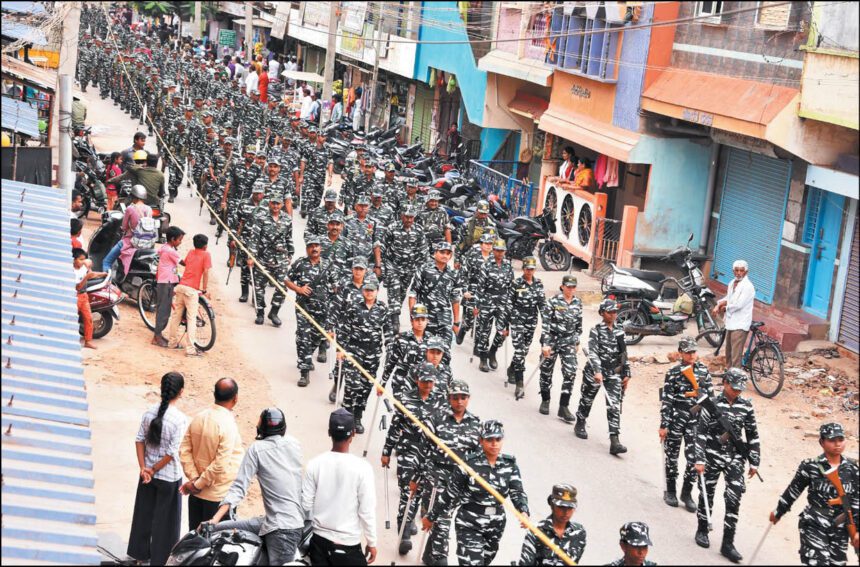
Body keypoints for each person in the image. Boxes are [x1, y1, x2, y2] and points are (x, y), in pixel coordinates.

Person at [205, 408, 305, 565]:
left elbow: (239, 488)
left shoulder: (257, 449)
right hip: (273, 521)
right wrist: (216, 523)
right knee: (220, 528)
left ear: (261, 428)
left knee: (216, 526)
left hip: (282, 530)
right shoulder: (294, 444)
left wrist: (214, 519)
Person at [423, 420, 529, 566]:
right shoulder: (468, 464)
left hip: (495, 523)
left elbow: (517, 491)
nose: (494, 443)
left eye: (498, 439)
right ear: (481, 441)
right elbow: (450, 493)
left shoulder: (509, 465)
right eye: (489, 439)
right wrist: (432, 516)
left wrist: (523, 511)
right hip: (469, 522)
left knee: (484, 562)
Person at [693, 368, 760, 563]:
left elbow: (753, 435)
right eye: (733, 387)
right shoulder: (711, 404)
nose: (737, 391)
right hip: (711, 456)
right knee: (707, 493)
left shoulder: (746, 406)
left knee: (734, 497)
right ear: (724, 383)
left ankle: (728, 543)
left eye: (740, 389)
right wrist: (699, 459)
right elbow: (701, 433)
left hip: (735, 458)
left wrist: (754, 460)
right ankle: (702, 529)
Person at [769, 422, 860, 565]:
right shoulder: (810, 466)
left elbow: (856, 501)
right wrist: (779, 511)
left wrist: (857, 530)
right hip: (814, 523)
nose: (837, 444)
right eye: (832, 440)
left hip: (840, 529)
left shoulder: (852, 469)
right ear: (821, 442)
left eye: (841, 440)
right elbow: (793, 491)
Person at [382, 363, 447, 554]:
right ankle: (404, 533)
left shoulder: (440, 401)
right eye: (425, 381)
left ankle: (408, 520)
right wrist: (387, 451)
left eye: (431, 381)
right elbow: (395, 427)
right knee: (408, 491)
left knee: (424, 492)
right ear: (417, 380)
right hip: (408, 449)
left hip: (430, 455)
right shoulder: (406, 400)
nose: (428, 385)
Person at [127, 372, 188, 566]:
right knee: (167, 523)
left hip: (146, 477)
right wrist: (153, 470)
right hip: (168, 478)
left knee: (143, 515)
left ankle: (139, 555)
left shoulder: (148, 413)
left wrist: (144, 468)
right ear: (181, 392)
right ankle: (160, 559)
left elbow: (139, 440)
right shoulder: (179, 419)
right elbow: (172, 452)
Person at [303, 408, 377, 565]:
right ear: (353, 434)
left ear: (329, 432)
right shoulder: (363, 468)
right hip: (348, 546)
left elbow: (306, 505)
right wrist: (372, 542)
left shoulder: (315, 464)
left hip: (319, 544)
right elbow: (366, 511)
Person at [421, 380, 482, 565]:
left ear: (468, 399)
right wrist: (417, 478)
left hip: (460, 481)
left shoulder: (476, 424)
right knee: (443, 518)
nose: (459, 402)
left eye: (463, 397)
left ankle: (428, 554)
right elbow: (423, 451)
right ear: (449, 398)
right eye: (455, 398)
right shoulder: (436, 419)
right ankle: (440, 558)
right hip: (437, 478)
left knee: (442, 519)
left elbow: (478, 456)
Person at [179, 378, 244, 532]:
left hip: (197, 495)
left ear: (214, 394)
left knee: (196, 542)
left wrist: (194, 478)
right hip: (218, 498)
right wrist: (197, 484)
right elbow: (220, 464)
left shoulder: (199, 417)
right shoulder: (227, 424)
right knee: (218, 546)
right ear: (235, 399)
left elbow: (184, 449)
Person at [659, 337, 714, 511]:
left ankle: (686, 492)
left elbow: (711, 399)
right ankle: (671, 491)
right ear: (681, 353)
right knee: (672, 456)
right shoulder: (673, 373)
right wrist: (664, 425)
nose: (692, 355)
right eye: (688, 352)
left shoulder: (704, 372)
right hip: (676, 417)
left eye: (694, 351)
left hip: (695, 421)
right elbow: (667, 401)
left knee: (694, 458)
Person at [575, 299, 631, 455]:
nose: (613, 315)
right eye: (610, 312)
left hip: (613, 373)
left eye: (615, 312)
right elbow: (592, 352)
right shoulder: (596, 330)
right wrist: (597, 371)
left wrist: (626, 373)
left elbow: (624, 353)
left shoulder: (620, 330)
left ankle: (615, 440)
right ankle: (580, 421)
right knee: (587, 399)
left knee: (613, 405)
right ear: (602, 313)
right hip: (595, 372)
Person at [539, 275, 583, 421]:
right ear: (562, 286)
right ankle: (545, 400)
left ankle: (563, 406)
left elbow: (578, 326)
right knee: (546, 370)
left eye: (573, 287)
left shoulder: (578, 303)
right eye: (568, 286)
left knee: (570, 372)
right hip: (552, 339)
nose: (571, 289)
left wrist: (576, 341)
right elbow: (545, 324)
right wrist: (545, 344)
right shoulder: (553, 301)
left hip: (568, 341)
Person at [408, 242, 462, 347]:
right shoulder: (424, 270)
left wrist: (456, 322)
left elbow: (455, 299)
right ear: (435, 253)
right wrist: (413, 316)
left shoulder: (454, 274)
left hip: (444, 318)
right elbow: (413, 294)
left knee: (444, 350)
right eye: (442, 252)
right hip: (424, 316)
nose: (445, 255)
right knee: (423, 349)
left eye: (448, 253)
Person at [166, 234, 212, 356]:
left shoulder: (191, 252)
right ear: (205, 245)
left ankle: (172, 343)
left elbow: (186, 264)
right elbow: (206, 272)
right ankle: (191, 349)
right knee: (191, 319)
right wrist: (205, 289)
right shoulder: (206, 254)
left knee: (176, 315)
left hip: (181, 287)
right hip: (191, 290)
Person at [518, 484, 586, 565]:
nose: (566, 512)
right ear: (552, 505)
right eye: (561, 507)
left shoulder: (579, 532)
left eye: (570, 508)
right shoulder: (536, 531)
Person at [507, 256, 545, 399]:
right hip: (517, 319)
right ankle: (519, 384)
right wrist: (505, 324)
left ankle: (512, 368)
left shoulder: (538, 284)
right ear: (523, 269)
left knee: (524, 351)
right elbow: (509, 304)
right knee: (520, 350)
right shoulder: (516, 283)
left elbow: (542, 303)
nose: (530, 271)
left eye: (532, 269)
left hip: (531, 321)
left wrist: (546, 320)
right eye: (527, 269)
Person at [473, 239, 513, 373]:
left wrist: (510, 304)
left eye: (502, 251)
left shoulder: (508, 265)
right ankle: (483, 358)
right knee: (484, 331)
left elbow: (510, 286)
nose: (500, 253)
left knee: (502, 332)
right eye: (497, 250)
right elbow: (480, 287)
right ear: (493, 250)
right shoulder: (486, 265)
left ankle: (493, 351)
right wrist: (477, 305)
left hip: (503, 301)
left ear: (505, 251)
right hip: (487, 301)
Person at [101, 184, 153, 276]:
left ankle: (106, 285)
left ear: (133, 196)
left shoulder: (130, 208)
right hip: (146, 243)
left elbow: (124, 227)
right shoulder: (149, 209)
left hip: (130, 242)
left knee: (106, 262)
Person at [714, 260, 755, 369]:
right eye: (736, 270)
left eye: (741, 270)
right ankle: (728, 378)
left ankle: (736, 381)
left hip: (740, 324)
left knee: (736, 356)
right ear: (733, 271)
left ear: (746, 272)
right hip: (731, 322)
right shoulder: (732, 283)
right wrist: (718, 305)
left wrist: (724, 308)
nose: (738, 273)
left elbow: (739, 304)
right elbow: (729, 298)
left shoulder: (748, 286)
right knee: (729, 353)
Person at [152, 226, 185, 347]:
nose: (180, 242)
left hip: (166, 280)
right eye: (179, 239)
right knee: (164, 310)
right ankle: (156, 336)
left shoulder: (165, 247)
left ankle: (158, 334)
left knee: (164, 308)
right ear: (172, 239)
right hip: (166, 281)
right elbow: (183, 262)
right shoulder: (170, 251)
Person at [73, 248, 107, 349]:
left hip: (84, 296)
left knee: (88, 319)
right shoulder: (72, 271)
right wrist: (86, 277)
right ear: (74, 260)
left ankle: (88, 341)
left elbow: (92, 275)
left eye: (84, 259)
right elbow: (78, 287)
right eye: (80, 259)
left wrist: (103, 274)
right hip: (75, 297)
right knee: (72, 319)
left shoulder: (83, 267)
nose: (83, 262)